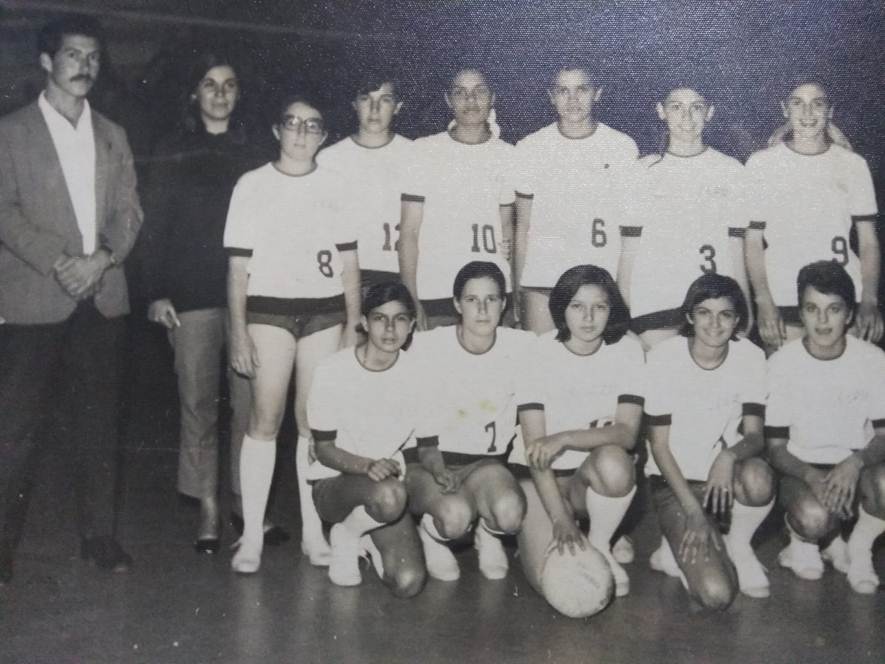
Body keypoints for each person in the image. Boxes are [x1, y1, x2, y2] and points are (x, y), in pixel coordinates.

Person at [0, 15, 142, 582]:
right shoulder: (10, 132)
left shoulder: (113, 133)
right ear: (46, 62)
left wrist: (101, 259)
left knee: (99, 424)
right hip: (35, 299)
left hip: (102, 297)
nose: (84, 66)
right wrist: (61, 263)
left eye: (92, 57)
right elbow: (4, 212)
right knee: (17, 428)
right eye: (72, 55)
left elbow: (129, 210)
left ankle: (98, 537)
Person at [141, 50, 288, 554]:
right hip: (191, 295)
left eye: (228, 84)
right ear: (194, 93)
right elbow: (154, 225)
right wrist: (155, 291)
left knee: (250, 405)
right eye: (209, 84)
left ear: (239, 93)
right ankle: (206, 504)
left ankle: (248, 504)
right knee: (198, 404)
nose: (220, 93)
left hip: (252, 296)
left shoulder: (256, 153)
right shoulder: (172, 147)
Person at [224, 95, 360, 574]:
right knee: (265, 418)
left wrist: (352, 325)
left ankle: (312, 532)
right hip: (269, 313)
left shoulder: (337, 185)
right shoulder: (252, 185)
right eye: (292, 123)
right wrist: (238, 332)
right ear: (277, 130)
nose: (301, 133)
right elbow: (237, 269)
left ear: (323, 136)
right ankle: (251, 538)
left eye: (313, 125)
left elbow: (349, 264)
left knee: (311, 422)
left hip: (324, 313)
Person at [511, 265, 643, 603]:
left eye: (599, 306)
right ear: (561, 308)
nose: (588, 318)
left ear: (611, 309)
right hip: (543, 479)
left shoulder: (627, 350)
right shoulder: (538, 352)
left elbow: (627, 433)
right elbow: (535, 450)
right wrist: (559, 519)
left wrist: (566, 437)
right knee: (562, 588)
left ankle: (600, 542)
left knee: (615, 460)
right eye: (577, 306)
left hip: (590, 479)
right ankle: (548, 530)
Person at [645, 274, 774, 606]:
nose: (714, 324)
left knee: (759, 479)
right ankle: (672, 541)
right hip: (676, 485)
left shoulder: (750, 357)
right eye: (704, 312)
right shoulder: (664, 358)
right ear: (689, 316)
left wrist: (728, 457)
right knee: (716, 595)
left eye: (725, 314)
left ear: (737, 320)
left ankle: (738, 544)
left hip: (723, 482)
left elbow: (756, 435)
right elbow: (659, 447)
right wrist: (693, 512)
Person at [406, 261, 531, 581]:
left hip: (486, 465)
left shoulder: (523, 347)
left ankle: (487, 535)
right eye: (472, 300)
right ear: (457, 304)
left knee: (511, 514)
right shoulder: (427, 345)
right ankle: (432, 535)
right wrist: (434, 466)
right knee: (454, 517)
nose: (483, 309)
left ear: (504, 304)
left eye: (491, 299)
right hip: (428, 462)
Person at [766, 261, 885, 595]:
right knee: (814, 522)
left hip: (855, 467)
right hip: (803, 469)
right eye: (812, 309)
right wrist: (811, 477)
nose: (822, 321)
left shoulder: (872, 359)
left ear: (849, 314)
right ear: (800, 314)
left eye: (833, 310)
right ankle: (801, 542)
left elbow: (883, 436)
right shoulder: (782, 364)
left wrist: (855, 463)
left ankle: (859, 548)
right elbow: (775, 447)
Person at [307, 282, 426, 597]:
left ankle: (362, 531)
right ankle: (345, 534)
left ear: (412, 325)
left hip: (385, 488)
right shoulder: (333, 370)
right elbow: (323, 449)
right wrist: (367, 466)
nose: (389, 329)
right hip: (334, 485)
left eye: (400, 319)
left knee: (409, 582)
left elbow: (416, 449)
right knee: (389, 497)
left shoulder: (418, 374)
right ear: (363, 322)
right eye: (379, 318)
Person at [745, 81, 882, 353]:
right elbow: (752, 242)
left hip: (842, 294)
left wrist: (869, 299)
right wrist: (763, 301)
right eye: (797, 103)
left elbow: (868, 242)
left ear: (830, 111)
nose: (807, 112)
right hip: (783, 293)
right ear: (785, 109)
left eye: (817, 103)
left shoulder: (853, 164)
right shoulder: (761, 164)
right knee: (788, 385)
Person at [618, 85, 750, 351]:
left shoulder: (731, 170)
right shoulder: (640, 172)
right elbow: (628, 254)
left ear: (710, 112)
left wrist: (746, 313)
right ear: (661, 111)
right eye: (676, 107)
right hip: (655, 304)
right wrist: (622, 316)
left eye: (696, 107)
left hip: (713, 306)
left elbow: (736, 252)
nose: (687, 117)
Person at [514, 64, 638, 333]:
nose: (572, 100)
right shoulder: (530, 148)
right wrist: (517, 287)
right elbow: (522, 227)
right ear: (551, 96)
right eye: (563, 91)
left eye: (581, 89)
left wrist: (623, 287)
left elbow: (630, 231)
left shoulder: (621, 146)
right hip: (543, 279)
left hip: (600, 280)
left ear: (597, 93)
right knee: (543, 362)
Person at [399, 67, 516, 330]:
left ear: (492, 98)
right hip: (437, 290)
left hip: (492, 292)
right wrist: (411, 299)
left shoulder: (509, 154)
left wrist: (514, 292)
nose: (471, 100)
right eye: (460, 92)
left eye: (479, 91)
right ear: (448, 99)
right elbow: (408, 232)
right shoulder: (424, 151)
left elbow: (507, 228)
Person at [317, 71, 413, 293]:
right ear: (354, 104)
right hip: (346, 275)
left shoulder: (414, 154)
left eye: (385, 100)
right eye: (366, 99)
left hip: (399, 273)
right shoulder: (329, 159)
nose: (374, 108)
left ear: (398, 107)